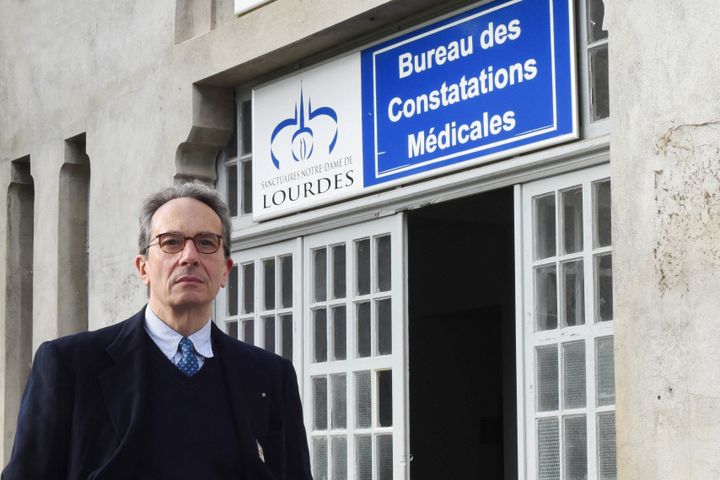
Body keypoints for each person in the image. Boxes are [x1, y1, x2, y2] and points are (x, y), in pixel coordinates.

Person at [2, 183, 312, 480]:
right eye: (171, 242)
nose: (189, 256)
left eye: (206, 242)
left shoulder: (270, 377)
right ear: (143, 268)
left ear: (225, 271)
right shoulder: (70, 366)